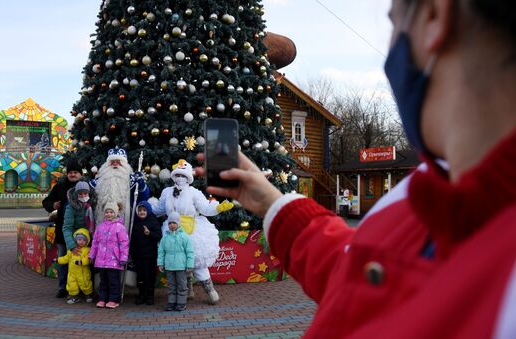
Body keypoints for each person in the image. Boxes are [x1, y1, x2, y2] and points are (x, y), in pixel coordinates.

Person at [195, 0, 516, 337]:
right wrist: (271, 202)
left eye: (392, 22)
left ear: (435, 16)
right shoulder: (425, 189)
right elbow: (361, 271)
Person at [152, 159, 233, 304]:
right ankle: (188, 290)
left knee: (197, 262)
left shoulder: (194, 192)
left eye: (183, 176)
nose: (180, 178)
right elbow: (159, 210)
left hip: (192, 230)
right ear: (173, 176)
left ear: (189, 177)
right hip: (171, 231)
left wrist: (218, 208)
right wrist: (145, 208)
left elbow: (205, 208)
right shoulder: (167, 192)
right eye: (177, 175)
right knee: (178, 262)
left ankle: (210, 291)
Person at [42, 158, 83, 298]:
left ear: (80, 174)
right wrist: (53, 205)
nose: (72, 174)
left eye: (75, 172)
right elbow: (46, 201)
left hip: (81, 232)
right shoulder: (59, 186)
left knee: (81, 259)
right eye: (70, 172)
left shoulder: (84, 186)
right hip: (62, 230)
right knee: (63, 259)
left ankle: (83, 287)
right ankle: (63, 287)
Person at [91, 147, 149, 230]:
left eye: (118, 161)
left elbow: (143, 197)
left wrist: (142, 185)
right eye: (112, 161)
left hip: (124, 222)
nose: (115, 164)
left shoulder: (132, 180)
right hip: (102, 221)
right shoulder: (99, 181)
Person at [89, 202, 129, 309]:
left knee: (113, 281)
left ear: (116, 213)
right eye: (107, 212)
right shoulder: (100, 227)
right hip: (101, 260)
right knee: (103, 281)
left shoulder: (119, 227)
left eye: (111, 212)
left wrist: (123, 257)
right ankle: (103, 298)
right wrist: (92, 255)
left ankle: (113, 299)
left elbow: (124, 243)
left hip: (114, 260)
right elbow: (95, 242)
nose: (109, 214)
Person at [157, 212, 194, 312]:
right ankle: (172, 302)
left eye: (174, 223)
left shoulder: (184, 237)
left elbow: (190, 252)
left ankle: (181, 303)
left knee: (182, 285)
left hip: (181, 266)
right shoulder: (165, 237)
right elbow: (161, 251)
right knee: (171, 285)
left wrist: (190, 265)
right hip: (169, 266)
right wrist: (160, 263)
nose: (172, 225)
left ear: (178, 224)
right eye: (170, 223)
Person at [130, 201, 162, 305]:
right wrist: (131, 252)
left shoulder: (153, 221)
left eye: (144, 210)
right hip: (138, 255)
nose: (142, 212)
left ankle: (150, 296)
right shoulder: (135, 222)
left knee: (149, 276)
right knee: (140, 277)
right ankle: (141, 294)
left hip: (150, 256)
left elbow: (158, 236)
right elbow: (132, 239)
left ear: (148, 211)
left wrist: (150, 233)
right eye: (140, 210)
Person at [56, 228, 93, 304]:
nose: (81, 242)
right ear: (75, 240)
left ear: (87, 241)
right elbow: (66, 258)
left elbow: (88, 259)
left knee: (86, 285)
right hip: (72, 273)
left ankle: (89, 295)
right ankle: (74, 297)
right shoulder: (71, 250)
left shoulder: (87, 250)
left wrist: (81, 262)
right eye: (79, 239)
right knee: (72, 286)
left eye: (84, 240)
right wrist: (58, 260)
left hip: (83, 273)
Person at [62, 181, 97, 251]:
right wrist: (72, 246)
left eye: (85, 193)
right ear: (76, 194)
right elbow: (67, 228)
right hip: (77, 242)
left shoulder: (93, 205)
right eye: (80, 194)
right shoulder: (71, 207)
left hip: (92, 242)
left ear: (89, 193)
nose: (83, 196)